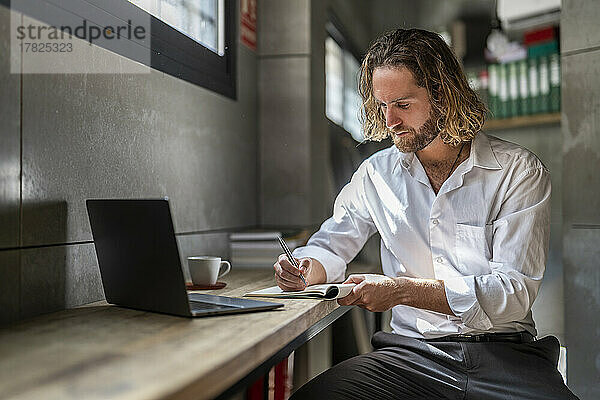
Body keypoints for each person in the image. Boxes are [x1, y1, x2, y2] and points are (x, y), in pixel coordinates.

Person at [273, 29, 578, 399]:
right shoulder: (376, 175)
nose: (390, 121)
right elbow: (332, 244)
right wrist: (306, 267)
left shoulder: (518, 171)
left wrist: (403, 291)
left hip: (506, 355)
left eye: (403, 104)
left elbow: (511, 294)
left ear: (443, 94)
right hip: (410, 357)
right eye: (382, 105)